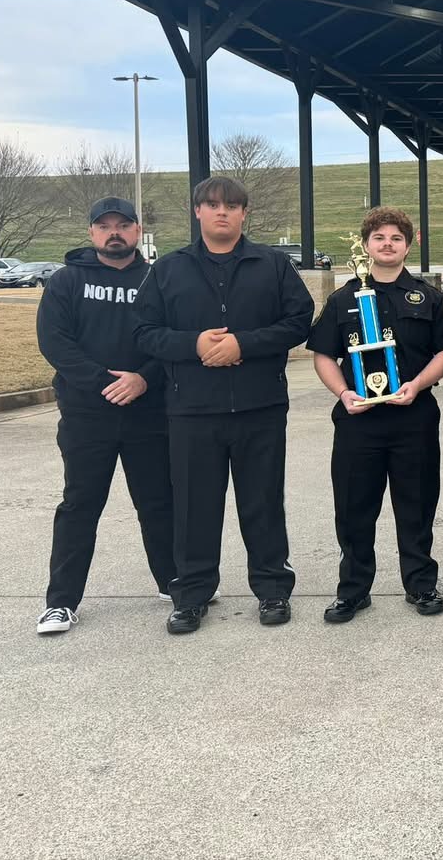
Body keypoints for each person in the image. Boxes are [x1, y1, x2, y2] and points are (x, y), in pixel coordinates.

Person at [135, 176, 314, 634]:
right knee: (195, 507)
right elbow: (144, 331)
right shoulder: (169, 270)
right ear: (197, 211)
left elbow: (299, 320)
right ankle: (192, 595)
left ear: (243, 214)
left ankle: (273, 589)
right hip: (192, 410)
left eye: (231, 206)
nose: (221, 213)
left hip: (260, 407)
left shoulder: (272, 265)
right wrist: (193, 343)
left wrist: (245, 345)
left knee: (263, 502)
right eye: (212, 205)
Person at [33, 197, 174, 634]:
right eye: (105, 226)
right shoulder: (67, 282)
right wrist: (104, 383)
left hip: (149, 414)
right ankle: (60, 601)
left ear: (137, 230)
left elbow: (174, 338)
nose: (114, 232)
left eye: (123, 225)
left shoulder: (159, 279)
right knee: (80, 503)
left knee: (158, 501)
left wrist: (144, 379)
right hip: (86, 416)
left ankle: (174, 582)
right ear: (92, 232)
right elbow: (55, 343)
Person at [307, 207, 443, 624]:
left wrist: (417, 385)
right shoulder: (343, 299)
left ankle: (421, 584)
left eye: (396, 238)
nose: (387, 245)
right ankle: (353, 590)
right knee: (354, 509)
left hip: (414, 418)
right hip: (358, 423)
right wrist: (344, 392)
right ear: (366, 244)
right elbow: (323, 355)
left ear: (409, 245)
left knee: (417, 505)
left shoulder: (426, 297)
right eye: (379, 238)